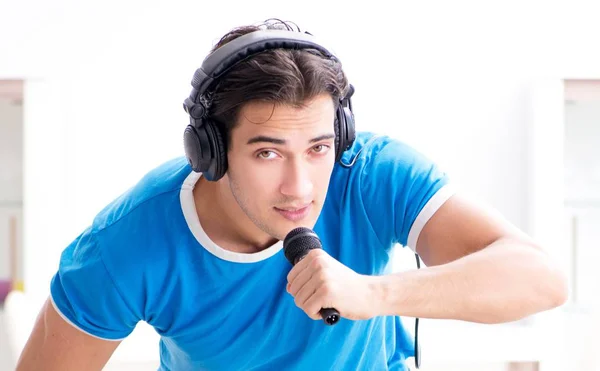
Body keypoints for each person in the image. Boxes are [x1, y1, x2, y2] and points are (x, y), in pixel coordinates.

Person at [16, 19, 568, 371]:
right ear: (211, 151)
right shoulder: (127, 243)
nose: (300, 187)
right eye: (268, 153)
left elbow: (540, 280)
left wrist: (373, 295)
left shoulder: (370, 172)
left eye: (319, 148)